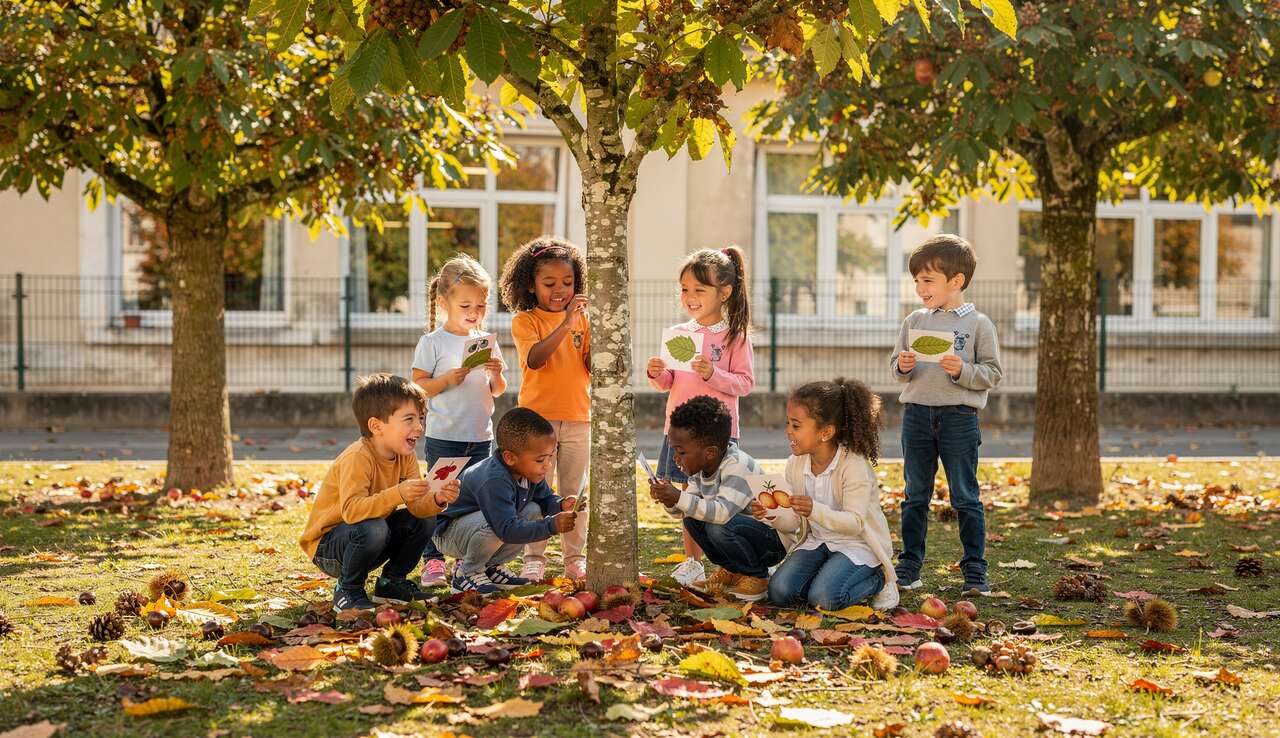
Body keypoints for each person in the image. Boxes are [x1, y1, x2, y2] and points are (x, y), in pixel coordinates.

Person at [890, 234, 1004, 593]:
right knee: (914, 495)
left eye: (928, 280)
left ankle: (974, 570)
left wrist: (962, 371)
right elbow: (896, 366)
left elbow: (993, 373)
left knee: (965, 497)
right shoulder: (914, 321)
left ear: (956, 281)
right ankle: (909, 566)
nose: (920, 288)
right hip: (917, 416)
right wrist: (903, 365)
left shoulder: (978, 324)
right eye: (917, 281)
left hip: (959, 418)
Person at [299, 373, 459, 611]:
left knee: (423, 518)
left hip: (369, 537)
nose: (419, 427)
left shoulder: (405, 455)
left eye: (421, 418)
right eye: (409, 419)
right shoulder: (358, 457)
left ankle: (391, 583)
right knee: (374, 526)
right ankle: (348, 589)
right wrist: (398, 493)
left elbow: (416, 507)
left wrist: (436, 498)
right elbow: (352, 511)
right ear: (376, 426)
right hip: (329, 547)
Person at [646, 246, 755, 587]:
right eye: (684, 290)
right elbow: (671, 383)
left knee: (717, 500)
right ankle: (692, 563)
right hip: (679, 434)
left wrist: (714, 375)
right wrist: (657, 373)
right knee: (686, 497)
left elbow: (746, 383)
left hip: (717, 438)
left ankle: (731, 564)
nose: (690, 297)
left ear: (724, 292)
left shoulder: (735, 336)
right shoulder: (679, 334)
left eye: (699, 289)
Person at [753, 379, 899, 611]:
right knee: (779, 592)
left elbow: (855, 523)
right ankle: (825, 576)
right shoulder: (795, 464)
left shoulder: (853, 465)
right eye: (788, 423)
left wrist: (814, 510)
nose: (788, 431)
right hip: (818, 542)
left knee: (825, 599)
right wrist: (770, 514)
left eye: (796, 425)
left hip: (857, 545)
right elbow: (792, 521)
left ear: (826, 432)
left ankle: (880, 580)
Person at [411, 254, 507, 587]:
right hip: (446, 436)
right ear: (444, 302)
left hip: (481, 437)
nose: (474, 313)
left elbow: (497, 390)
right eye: (466, 305)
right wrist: (446, 381)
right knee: (438, 497)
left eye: (480, 306)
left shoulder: (484, 341)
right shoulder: (432, 342)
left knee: (478, 500)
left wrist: (495, 375)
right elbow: (418, 387)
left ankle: (477, 563)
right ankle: (432, 561)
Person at [499, 236, 589, 581]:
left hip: (579, 416)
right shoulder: (526, 321)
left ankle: (573, 557)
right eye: (549, 283)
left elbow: (592, 363)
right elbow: (535, 360)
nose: (560, 290)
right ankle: (534, 556)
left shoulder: (583, 319)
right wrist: (566, 324)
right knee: (537, 490)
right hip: (538, 421)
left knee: (573, 492)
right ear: (531, 286)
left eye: (567, 282)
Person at [648, 395, 784, 602]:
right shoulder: (699, 469)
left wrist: (678, 497)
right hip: (743, 533)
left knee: (718, 526)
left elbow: (721, 513)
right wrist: (670, 500)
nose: (675, 458)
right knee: (692, 518)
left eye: (681, 451)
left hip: (772, 543)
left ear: (710, 452)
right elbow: (687, 507)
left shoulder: (738, 465)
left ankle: (758, 577)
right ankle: (733, 571)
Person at [432, 407, 579, 594]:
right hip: (449, 533)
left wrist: (560, 504)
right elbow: (506, 529)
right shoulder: (494, 480)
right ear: (510, 457)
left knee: (533, 509)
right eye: (541, 460)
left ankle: (491, 567)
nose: (547, 466)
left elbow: (545, 499)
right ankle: (466, 573)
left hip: (479, 527)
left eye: (550, 458)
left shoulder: (528, 472)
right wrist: (551, 526)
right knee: (496, 523)